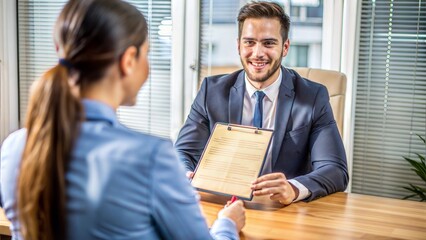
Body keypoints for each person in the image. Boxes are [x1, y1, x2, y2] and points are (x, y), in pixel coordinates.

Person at [0, 0, 245, 239]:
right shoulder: (150, 157)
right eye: (146, 54)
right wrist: (226, 224)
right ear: (128, 61)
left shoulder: (14, 147)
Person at [175, 1, 349, 205]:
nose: (257, 53)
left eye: (268, 43)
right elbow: (183, 152)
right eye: (249, 42)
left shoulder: (312, 96)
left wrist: (293, 188)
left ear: (285, 47)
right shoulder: (211, 91)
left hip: (280, 211)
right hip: (222, 204)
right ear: (238, 45)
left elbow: (335, 169)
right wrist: (185, 174)